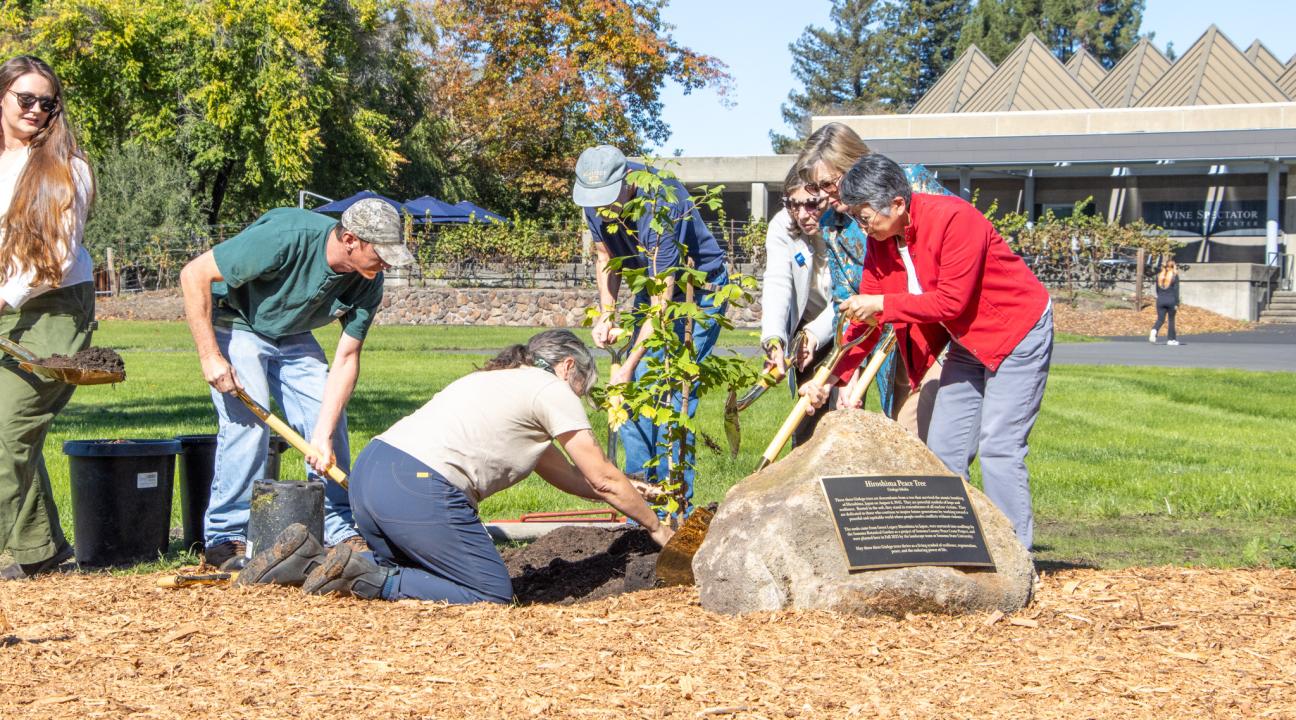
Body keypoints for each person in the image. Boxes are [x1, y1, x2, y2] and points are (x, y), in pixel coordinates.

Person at [235, 330, 675, 603]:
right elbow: (601, 476)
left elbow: (581, 481)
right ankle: (369, 578)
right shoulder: (549, 389)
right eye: (583, 384)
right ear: (566, 367)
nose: (579, 396)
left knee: (425, 578)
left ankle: (307, 562)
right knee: (489, 592)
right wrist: (657, 529)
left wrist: (633, 490)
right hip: (418, 489)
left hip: (372, 477)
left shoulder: (497, 384)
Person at [802, 154, 1053, 548]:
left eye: (865, 217)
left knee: (1000, 447)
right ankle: (961, 544)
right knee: (943, 449)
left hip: (1016, 332)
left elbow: (950, 302)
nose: (862, 227)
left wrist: (883, 305)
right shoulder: (881, 241)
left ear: (898, 204)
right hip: (967, 342)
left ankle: (1016, 555)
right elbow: (869, 316)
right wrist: (832, 376)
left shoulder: (955, 219)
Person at [179, 198, 414, 569]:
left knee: (330, 417)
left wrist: (321, 433)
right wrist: (210, 355)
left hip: (292, 331)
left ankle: (337, 528)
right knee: (249, 422)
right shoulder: (287, 237)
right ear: (351, 239)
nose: (385, 262)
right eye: (380, 253)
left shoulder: (369, 282)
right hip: (238, 320)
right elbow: (194, 274)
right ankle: (226, 535)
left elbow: (347, 358)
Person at [571, 145, 728, 511]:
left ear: (627, 180)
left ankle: (673, 507)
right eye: (594, 201)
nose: (601, 208)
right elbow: (605, 255)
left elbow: (663, 304)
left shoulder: (661, 202)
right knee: (635, 394)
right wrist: (607, 311)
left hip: (699, 290)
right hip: (650, 284)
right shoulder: (595, 200)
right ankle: (639, 503)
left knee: (673, 389)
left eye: (608, 199)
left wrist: (626, 367)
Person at [0, 56, 95, 580]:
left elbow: (56, 259)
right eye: (25, 99)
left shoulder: (67, 168)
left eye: (47, 102)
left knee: (9, 425)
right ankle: (41, 551)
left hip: (54, 308)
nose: (37, 110)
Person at [798, 122, 948, 440]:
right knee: (900, 433)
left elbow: (957, 249)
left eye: (829, 183)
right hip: (889, 344)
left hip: (940, 333)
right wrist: (844, 373)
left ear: (852, 160)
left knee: (934, 438)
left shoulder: (909, 184)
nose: (825, 196)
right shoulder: (834, 225)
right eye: (817, 188)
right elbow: (849, 303)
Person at [759, 161, 837, 446]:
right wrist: (775, 340)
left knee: (841, 408)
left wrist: (817, 333)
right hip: (806, 324)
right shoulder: (782, 224)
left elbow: (850, 295)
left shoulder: (848, 225)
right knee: (808, 414)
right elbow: (778, 281)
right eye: (793, 204)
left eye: (812, 204)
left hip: (848, 319)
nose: (802, 214)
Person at [1150, 259, 1180, 346]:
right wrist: (1177, 303)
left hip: (1160, 300)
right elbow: (1176, 290)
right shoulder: (1174, 276)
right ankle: (1171, 339)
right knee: (1171, 320)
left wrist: (1160, 297)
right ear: (1173, 266)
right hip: (1171, 300)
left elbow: (1157, 290)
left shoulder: (1159, 275)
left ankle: (1154, 330)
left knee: (1160, 319)